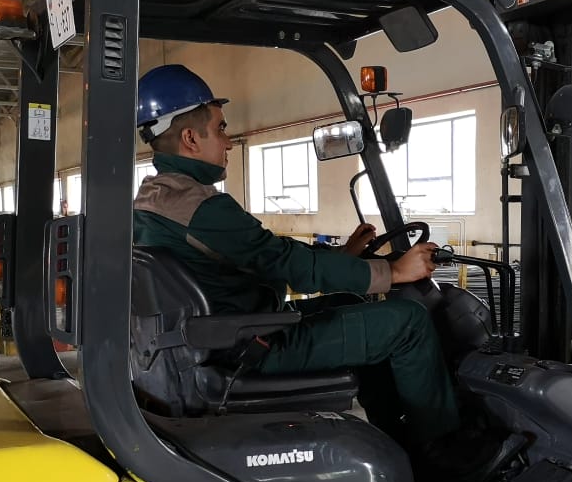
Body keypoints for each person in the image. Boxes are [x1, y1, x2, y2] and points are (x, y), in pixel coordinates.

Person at [132, 64, 468, 461]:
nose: (229, 142)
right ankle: (443, 455)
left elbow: (265, 251)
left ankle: (393, 436)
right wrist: (394, 271)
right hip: (250, 346)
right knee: (408, 322)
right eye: (220, 128)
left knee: (350, 302)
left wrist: (342, 257)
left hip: (220, 338)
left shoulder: (154, 201)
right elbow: (284, 263)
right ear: (190, 138)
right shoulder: (200, 207)